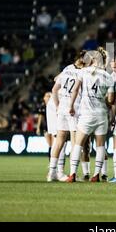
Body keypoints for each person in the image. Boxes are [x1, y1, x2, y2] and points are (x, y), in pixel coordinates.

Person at [66, 47, 115, 182]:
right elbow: (111, 100)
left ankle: (72, 174)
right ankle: (96, 175)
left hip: (86, 115)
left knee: (78, 144)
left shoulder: (83, 72)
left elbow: (75, 90)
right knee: (100, 146)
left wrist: (71, 106)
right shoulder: (108, 77)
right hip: (101, 115)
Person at [48, 51, 87, 182]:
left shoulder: (66, 69)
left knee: (59, 141)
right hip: (73, 109)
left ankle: (52, 172)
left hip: (62, 109)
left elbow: (54, 89)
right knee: (75, 143)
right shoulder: (83, 72)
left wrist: (58, 105)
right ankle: (72, 174)